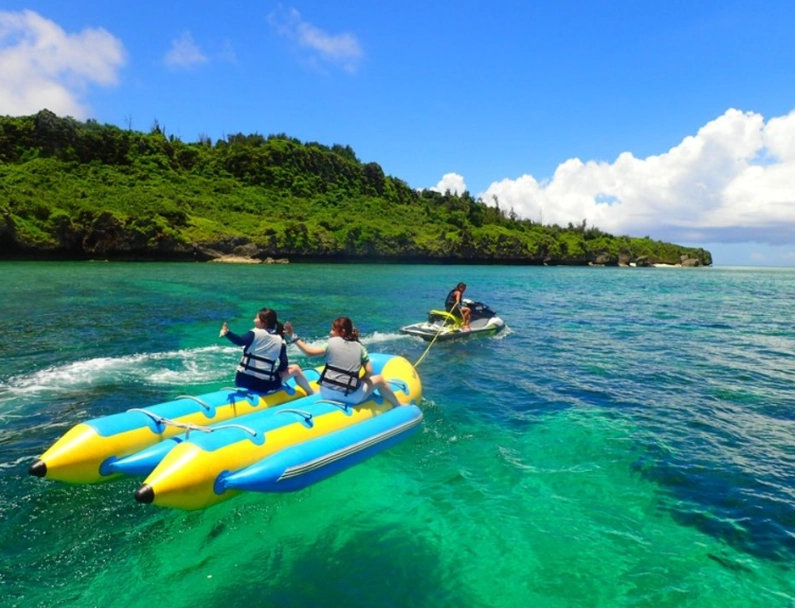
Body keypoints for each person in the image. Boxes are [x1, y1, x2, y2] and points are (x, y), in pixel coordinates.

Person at [283, 316, 401, 407]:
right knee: (380, 379)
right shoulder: (360, 348)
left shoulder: (330, 343)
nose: (330, 332)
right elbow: (369, 371)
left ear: (342, 331)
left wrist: (293, 335)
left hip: (326, 392)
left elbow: (309, 352)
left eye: (333, 329)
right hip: (350, 396)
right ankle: (398, 405)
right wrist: (361, 381)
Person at [220, 307, 313, 395]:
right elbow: (284, 364)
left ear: (263, 322)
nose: (254, 320)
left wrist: (227, 333)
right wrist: (277, 373)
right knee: (295, 368)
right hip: (264, 385)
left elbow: (240, 341)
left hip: (241, 380)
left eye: (256, 318)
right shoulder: (280, 340)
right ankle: (311, 393)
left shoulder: (254, 333)